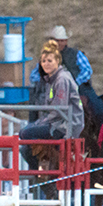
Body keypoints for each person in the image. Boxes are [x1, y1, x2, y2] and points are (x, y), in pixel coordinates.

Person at [20, 40, 84, 172]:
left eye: (50, 61)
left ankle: (45, 174)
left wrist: (40, 122)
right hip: (58, 122)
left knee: (25, 133)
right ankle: (44, 176)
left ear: (58, 61)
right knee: (26, 145)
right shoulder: (51, 80)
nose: (46, 64)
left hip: (65, 125)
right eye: (43, 61)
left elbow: (58, 110)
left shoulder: (61, 79)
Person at [47, 25, 103, 125]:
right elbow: (35, 75)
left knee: (98, 108)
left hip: (80, 89)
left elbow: (87, 71)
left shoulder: (75, 54)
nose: (60, 43)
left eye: (62, 41)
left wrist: (75, 83)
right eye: (57, 41)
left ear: (66, 41)